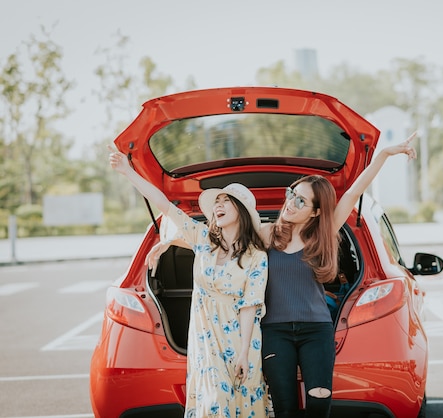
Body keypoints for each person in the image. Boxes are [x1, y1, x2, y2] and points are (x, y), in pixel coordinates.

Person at [257, 132, 417, 418]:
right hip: (275, 331)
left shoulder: (324, 235)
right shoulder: (267, 234)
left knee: (319, 402)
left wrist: (385, 154)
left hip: (316, 330)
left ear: (317, 212)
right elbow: (221, 237)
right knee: (284, 408)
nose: (291, 203)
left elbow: (355, 192)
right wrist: (170, 243)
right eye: (292, 194)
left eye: (302, 201)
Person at [108, 145, 269, 418]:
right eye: (216, 202)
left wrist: (244, 353)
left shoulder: (256, 257)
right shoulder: (203, 240)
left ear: (240, 211)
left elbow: (249, 307)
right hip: (205, 337)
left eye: (225, 201)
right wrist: (127, 172)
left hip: (238, 339)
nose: (218, 206)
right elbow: (164, 205)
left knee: (238, 402)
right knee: (213, 401)